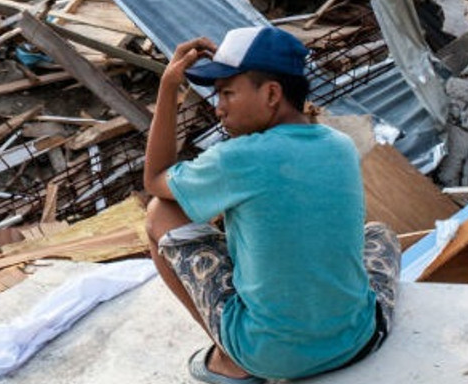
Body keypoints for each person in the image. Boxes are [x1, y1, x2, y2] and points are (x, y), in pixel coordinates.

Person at [144, 26, 400, 383]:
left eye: (227, 93)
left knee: (161, 212)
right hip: (357, 340)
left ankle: (232, 358)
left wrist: (168, 86)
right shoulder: (340, 144)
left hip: (269, 356)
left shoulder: (236, 158)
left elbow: (155, 176)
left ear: (271, 94)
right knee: (379, 234)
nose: (218, 109)